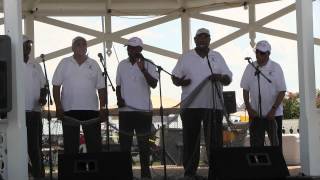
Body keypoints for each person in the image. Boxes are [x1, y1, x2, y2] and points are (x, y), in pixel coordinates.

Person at [171, 28, 232, 179]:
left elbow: (228, 78)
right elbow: (174, 77)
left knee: (215, 141)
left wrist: (219, 77)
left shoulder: (217, 56)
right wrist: (181, 82)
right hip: (191, 106)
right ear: (195, 40)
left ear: (209, 40)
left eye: (206, 37)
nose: (203, 40)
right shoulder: (186, 57)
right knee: (191, 140)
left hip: (213, 105)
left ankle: (216, 171)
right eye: (200, 37)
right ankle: (190, 172)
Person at [52, 36, 107, 154]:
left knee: (95, 147)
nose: (82, 46)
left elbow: (102, 89)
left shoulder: (94, 64)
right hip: (69, 111)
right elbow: (56, 86)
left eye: (84, 44)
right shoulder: (64, 62)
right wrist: (58, 106)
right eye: (78, 44)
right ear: (72, 47)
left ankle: (95, 173)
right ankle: (74, 173)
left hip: (91, 111)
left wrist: (102, 108)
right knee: (71, 148)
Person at [116, 37, 158, 180]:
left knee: (144, 147)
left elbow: (154, 84)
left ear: (140, 49)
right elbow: (118, 86)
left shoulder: (150, 64)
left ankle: (145, 175)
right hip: (125, 112)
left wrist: (143, 69)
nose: (130, 50)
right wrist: (119, 99)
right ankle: (125, 175)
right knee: (125, 147)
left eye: (134, 48)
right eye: (129, 48)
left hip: (143, 112)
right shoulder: (121, 64)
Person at [240, 40, 286, 148]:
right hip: (255, 115)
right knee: (256, 146)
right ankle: (258, 165)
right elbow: (245, 89)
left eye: (262, 53)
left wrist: (273, 109)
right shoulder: (250, 67)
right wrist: (249, 109)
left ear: (268, 54)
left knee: (276, 146)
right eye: (257, 52)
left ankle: (277, 165)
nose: (258, 55)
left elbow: (282, 90)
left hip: (274, 115)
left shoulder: (276, 67)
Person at [23, 35, 46, 179]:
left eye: (30, 45)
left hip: (35, 112)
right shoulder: (13, 63)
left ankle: (38, 175)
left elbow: (44, 86)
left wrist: (43, 97)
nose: (29, 48)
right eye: (26, 45)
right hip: (18, 114)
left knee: (35, 147)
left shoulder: (36, 64)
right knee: (19, 147)